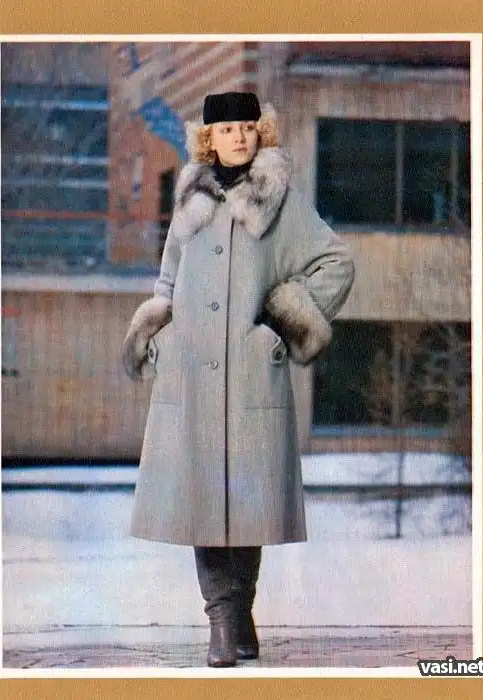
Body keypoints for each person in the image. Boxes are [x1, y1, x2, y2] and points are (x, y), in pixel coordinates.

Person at [122, 92, 355, 668]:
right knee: (202, 500)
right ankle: (224, 620)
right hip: (190, 376)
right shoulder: (190, 199)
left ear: (260, 133)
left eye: (248, 127)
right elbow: (168, 280)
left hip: (251, 376)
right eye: (227, 129)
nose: (239, 137)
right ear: (209, 138)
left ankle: (235, 612)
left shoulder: (281, 200)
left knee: (247, 502)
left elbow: (336, 263)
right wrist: (160, 336)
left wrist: (280, 322)